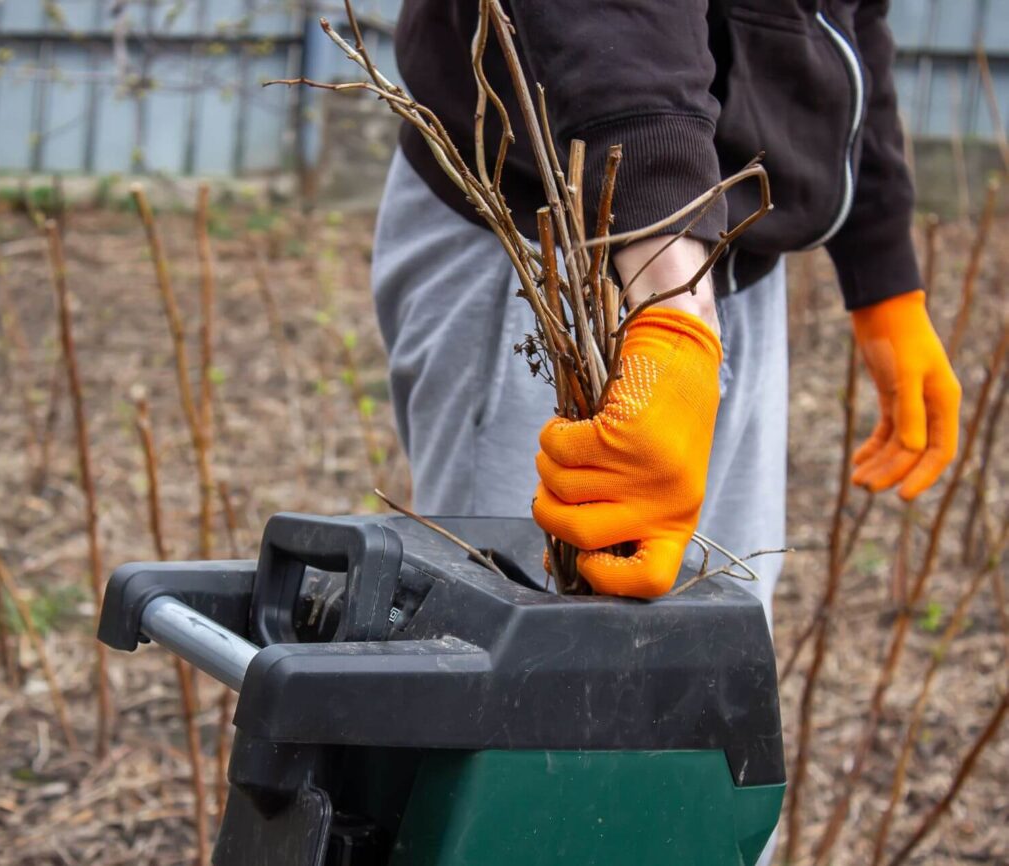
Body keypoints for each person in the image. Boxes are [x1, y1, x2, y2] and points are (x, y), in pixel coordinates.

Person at [373, 0, 960, 615]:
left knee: (718, 627)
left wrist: (883, 271)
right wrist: (676, 313)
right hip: (549, 243)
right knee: (514, 633)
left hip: (734, 257)